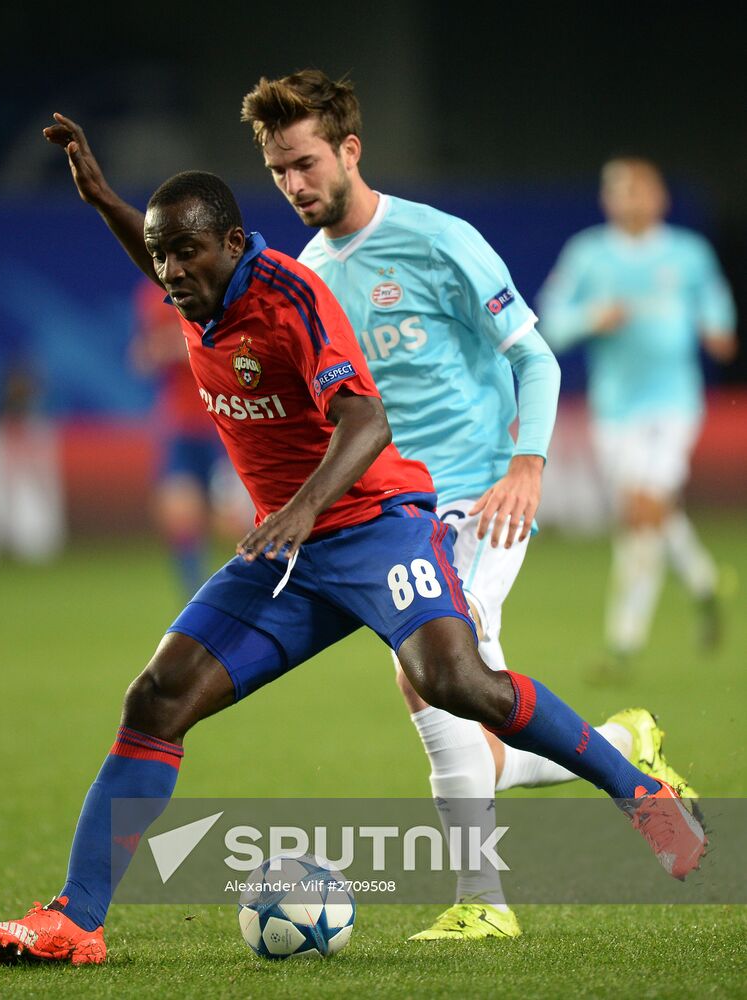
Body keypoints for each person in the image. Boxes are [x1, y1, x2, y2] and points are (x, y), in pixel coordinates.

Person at [0, 116, 705, 967]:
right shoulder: (194, 287)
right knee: (156, 698)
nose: (171, 273)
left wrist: (301, 509)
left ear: (234, 245)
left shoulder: (287, 297)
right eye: (161, 256)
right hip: (292, 552)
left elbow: (366, 417)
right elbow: (164, 257)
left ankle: (640, 793)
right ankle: (75, 918)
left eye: (188, 254)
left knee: (453, 682)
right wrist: (103, 202)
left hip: (373, 527)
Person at [240, 71, 699, 941]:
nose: (293, 185)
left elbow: (537, 358)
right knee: (454, 694)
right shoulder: (307, 278)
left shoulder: (439, 238)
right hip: (396, 510)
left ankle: (483, 904)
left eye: (303, 162)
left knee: (433, 677)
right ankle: (617, 748)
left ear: (348, 149)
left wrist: (526, 466)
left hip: (482, 491)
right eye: (276, 172)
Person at [537, 157, 737, 671]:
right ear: (609, 201)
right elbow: (552, 321)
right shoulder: (588, 255)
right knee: (649, 509)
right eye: (621, 192)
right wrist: (591, 317)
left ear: (659, 197)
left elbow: (715, 304)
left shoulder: (687, 255)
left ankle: (623, 642)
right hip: (616, 407)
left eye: (640, 190)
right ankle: (703, 581)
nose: (631, 200)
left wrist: (718, 328)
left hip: (675, 403)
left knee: (640, 509)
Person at [130, 278, 252, 596]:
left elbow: (229, 347)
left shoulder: (221, 284)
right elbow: (143, 354)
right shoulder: (150, 295)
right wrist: (160, 350)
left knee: (235, 518)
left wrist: (180, 346)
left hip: (222, 420)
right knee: (179, 513)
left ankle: (262, 585)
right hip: (180, 426)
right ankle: (196, 597)